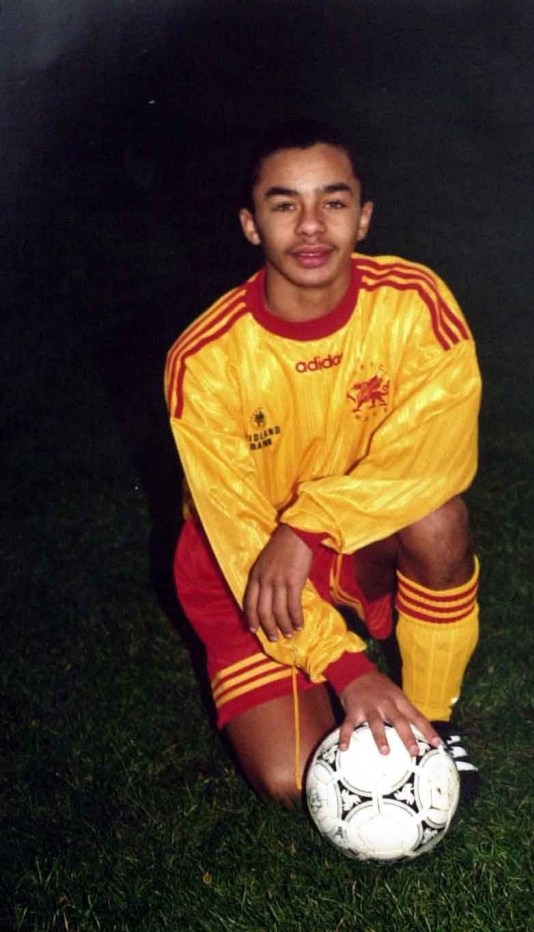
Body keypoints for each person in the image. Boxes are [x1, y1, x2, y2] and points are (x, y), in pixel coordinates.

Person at [165, 120, 482, 807]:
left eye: (332, 202)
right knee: (294, 780)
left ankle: (431, 721)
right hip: (244, 566)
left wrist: (307, 527)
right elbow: (243, 537)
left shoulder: (413, 304)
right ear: (251, 225)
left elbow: (436, 454)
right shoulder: (206, 360)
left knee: (437, 518)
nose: (311, 227)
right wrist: (343, 668)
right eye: (285, 205)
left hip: (353, 534)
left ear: (363, 216)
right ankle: (346, 676)